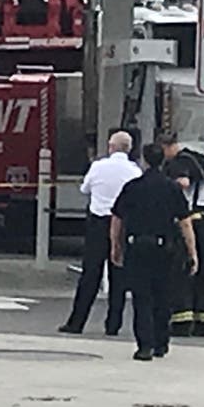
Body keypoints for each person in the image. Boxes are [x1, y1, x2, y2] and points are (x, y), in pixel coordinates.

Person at [110, 143, 198, 361]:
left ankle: (144, 346)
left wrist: (116, 246)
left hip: (138, 246)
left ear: (145, 160)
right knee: (163, 296)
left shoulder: (133, 187)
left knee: (142, 298)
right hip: (165, 248)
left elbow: (117, 220)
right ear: (163, 161)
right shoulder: (172, 188)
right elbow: (185, 223)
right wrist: (192, 252)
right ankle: (161, 342)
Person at [58, 131, 140, 336]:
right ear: (129, 149)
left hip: (97, 222)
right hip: (122, 223)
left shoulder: (98, 166)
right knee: (118, 275)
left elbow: (85, 189)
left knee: (90, 274)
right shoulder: (134, 171)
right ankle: (113, 324)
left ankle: (76, 322)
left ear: (110, 147)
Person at [159, 131, 204, 338]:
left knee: (182, 271)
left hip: (188, 221)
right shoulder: (202, 161)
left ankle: (182, 320)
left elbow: (183, 182)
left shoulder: (178, 162)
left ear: (167, 147)